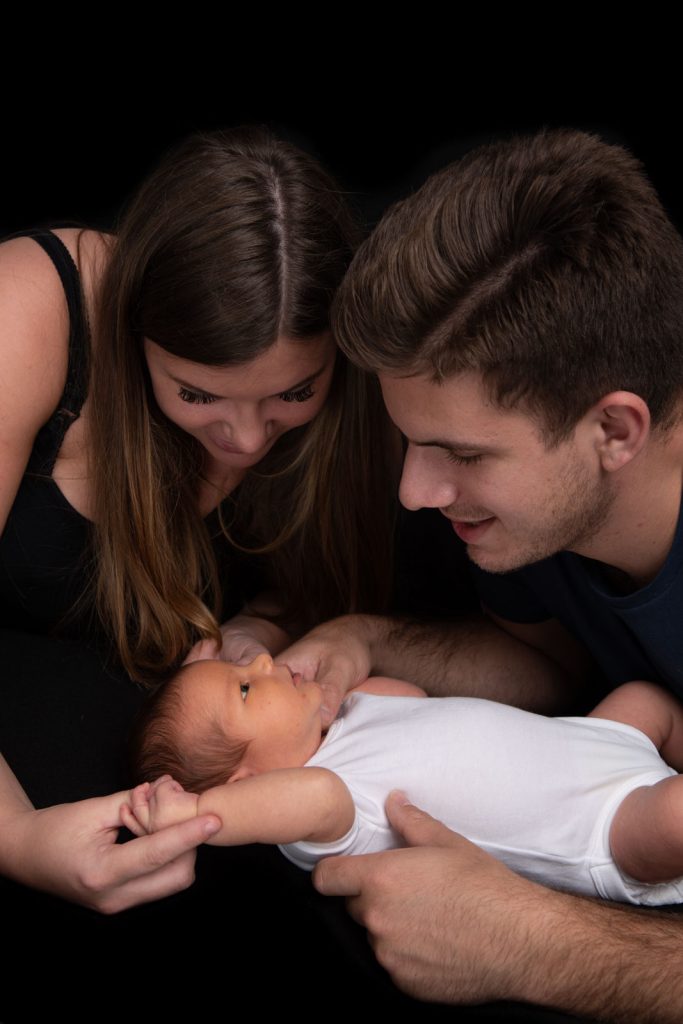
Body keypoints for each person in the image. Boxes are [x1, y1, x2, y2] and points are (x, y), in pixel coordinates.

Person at [277, 129, 683, 1020]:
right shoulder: (544, 521)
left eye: (460, 453)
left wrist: (535, 944)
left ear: (615, 431)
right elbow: (544, 666)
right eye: (411, 443)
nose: (416, 492)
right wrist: (366, 640)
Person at [0, 128, 397, 923]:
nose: (247, 439)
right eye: (196, 394)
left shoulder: (359, 386)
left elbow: (310, 588)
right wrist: (17, 840)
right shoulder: (33, 310)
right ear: (134, 329)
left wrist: (259, 627)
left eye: (290, 395)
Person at [128, 656, 683, 907]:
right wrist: (198, 813)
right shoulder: (323, 808)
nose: (267, 661)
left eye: (244, 665)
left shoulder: (344, 723)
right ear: (245, 781)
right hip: (603, 829)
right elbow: (313, 797)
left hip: (595, 741)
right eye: (245, 689)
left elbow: (413, 704)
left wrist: (329, 699)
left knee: (646, 699)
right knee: (672, 817)